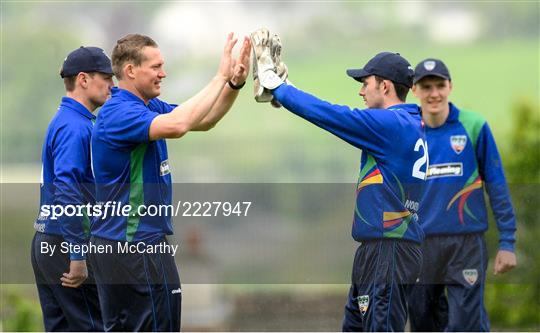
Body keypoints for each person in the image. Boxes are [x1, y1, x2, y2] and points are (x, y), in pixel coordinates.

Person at [251, 29, 428, 331]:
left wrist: (275, 84)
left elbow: (330, 115)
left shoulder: (390, 123)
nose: (361, 91)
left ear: (385, 86)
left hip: (388, 251)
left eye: (365, 83)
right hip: (383, 249)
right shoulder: (406, 122)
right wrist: (286, 87)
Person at [88, 33, 250, 331]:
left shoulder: (145, 107)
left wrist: (233, 83)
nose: (163, 72)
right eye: (156, 66)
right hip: (137, 244)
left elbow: (205, 119)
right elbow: (179, 125)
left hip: (118, 245)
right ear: (130, 71)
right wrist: (219, 76)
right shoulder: (122, 112)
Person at [407, 58, 517, 331]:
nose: (434, 93)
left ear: (450, 86)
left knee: (464, 325)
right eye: (427, 86)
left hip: (465, 244)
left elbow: (497, 184)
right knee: (422, 323)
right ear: (414, 90)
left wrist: (507, 242)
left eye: (440, 86)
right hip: (419, 246)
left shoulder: (474, 126)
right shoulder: (405, 130)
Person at [31, 46, 114, 331]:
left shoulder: (66, 120)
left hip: (49, 241)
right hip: (65, 245)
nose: (112, 86)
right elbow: (67, 190)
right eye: (106, 77)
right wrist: (77, 255)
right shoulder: (75, 126)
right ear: (83, 79)